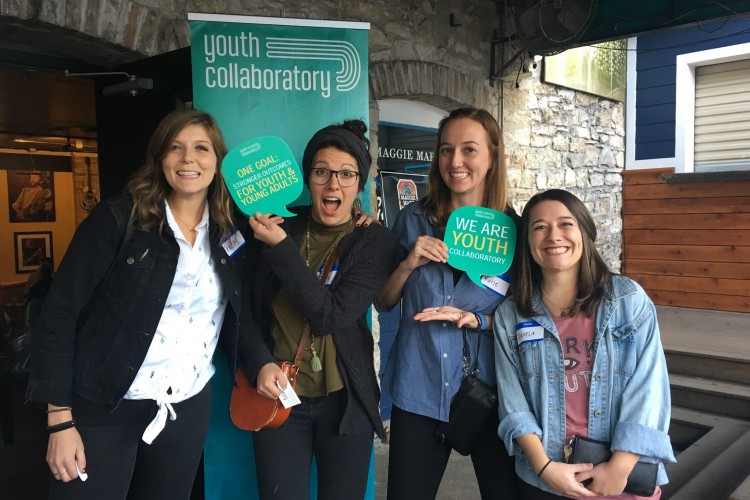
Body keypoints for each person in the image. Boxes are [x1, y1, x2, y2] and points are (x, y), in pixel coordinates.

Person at [26, 109, 248, 500]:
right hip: (104, 405)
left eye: (201, 148)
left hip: (185, 406)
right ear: (160, 158)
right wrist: (60, 420)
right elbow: (57, 315)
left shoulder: (229, 230)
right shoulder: (118, 219)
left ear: (217, 160)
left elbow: (236, 311)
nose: (188, 159)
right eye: (175, 148)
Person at [238, 119, 398, 499]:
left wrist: (281, 251)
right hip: (276, 397)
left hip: (345, 404)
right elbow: (241, 311)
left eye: (346, 174)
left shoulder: (374, 242)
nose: (333, 184)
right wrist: (259, 362)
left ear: (359, 184)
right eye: (322, 171)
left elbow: (330, 316)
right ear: (307, 178)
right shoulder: (276, 227)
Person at [493, 189, 676, 499]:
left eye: (566, 224)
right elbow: (513, 403)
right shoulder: (510, 315)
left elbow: (650, 391)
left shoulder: (627, 302)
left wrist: (618, 468)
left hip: (619, 478)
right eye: (539, 227)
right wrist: (545, 467)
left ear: (585, 232)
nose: (553, 236)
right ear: (527, 242)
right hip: (543, 479)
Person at [378, 107, 521, 499]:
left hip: (491, 394)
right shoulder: (411, 221)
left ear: (492, 156)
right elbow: (384, 301)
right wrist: (408, 264)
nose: (454, 161)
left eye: (469, 149)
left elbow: (531, 316)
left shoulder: (513, 233)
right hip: (418, 389)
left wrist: (479, 320)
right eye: (445, 150)